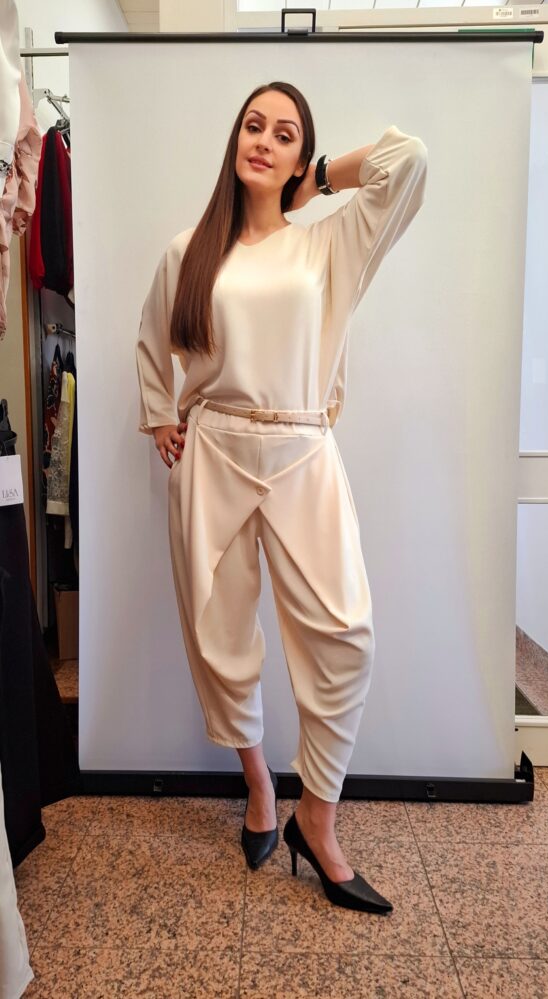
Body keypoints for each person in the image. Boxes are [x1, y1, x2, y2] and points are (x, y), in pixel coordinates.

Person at [136, 81, 427, 914]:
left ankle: (317, 819)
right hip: (215, 450)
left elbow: (409, 161)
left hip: (302, 449)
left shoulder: (329, 244)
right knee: (220, 634)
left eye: (284, 133)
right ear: (235, 140)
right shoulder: (190, 250)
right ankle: (260, 786)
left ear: (301, 154)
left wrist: (317, 182)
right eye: (253, 125)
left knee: (346, 636)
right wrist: (162, 415)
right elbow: (153, 337)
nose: (262, 140)